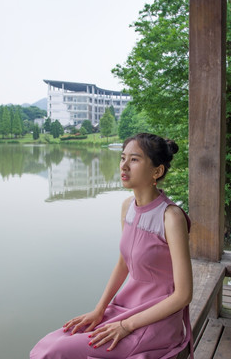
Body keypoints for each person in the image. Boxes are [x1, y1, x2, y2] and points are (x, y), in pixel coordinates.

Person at [30, 133, 194, 359]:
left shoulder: (171, 217)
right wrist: (99, 310)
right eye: (122, 158)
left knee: (57, 351)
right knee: (48, 344)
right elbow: (123, 264)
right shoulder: (127, 207)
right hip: (124, 307)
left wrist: (127, 326)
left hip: (154, 320)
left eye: (134, 160)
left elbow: (183, 295)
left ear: (157, 171)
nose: (124, 166)